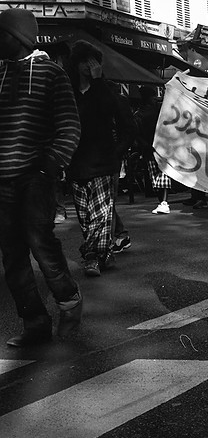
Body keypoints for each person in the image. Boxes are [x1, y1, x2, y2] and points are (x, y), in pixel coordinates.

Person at [0, 8, 83, 345]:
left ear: (16, 37)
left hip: (36, 176)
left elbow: (70, 125)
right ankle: (34, 323)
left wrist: (51, 164)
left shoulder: (51, 74)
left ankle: (69, 302)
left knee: (41, 243)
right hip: (3, 179)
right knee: (12, 254)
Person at [66, 41, 136, 277]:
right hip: (76, 162)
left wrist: (116, 153)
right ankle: (104, 253)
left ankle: (92, 257)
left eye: (93, 62)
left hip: (103, 163)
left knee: (101, 215)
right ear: (76, 64)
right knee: (85, 216)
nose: (89, 66)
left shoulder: (107, 89)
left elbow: (124, 123)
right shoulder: (68, 91)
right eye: (84, 61)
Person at [135, 87, 171, 213]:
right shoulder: (157, 111)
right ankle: (162, 201)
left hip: (152, 148)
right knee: (159, 174)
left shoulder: (140, 114)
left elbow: (136, 134)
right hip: (158, 147)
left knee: (159, 174)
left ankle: (163, 201)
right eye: (153, 96)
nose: (155, 98)